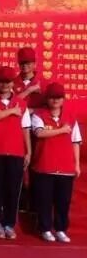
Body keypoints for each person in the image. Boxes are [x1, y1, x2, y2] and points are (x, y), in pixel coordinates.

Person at [0, 66, 32, 239]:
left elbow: (26, 128)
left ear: (12, 84)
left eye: (8, 82)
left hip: (16, 151)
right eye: (2, 82)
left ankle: (9, 224)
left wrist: (28, 151)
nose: (5, 85)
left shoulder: (21, 104)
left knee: (13, 190)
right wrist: (11, 111)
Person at [31, 82, 81, 243]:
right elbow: (39, 133)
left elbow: (75, 141)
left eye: (59, 97)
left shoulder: (70, 117)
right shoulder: (39, 115)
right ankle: (45, 229)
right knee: (44, 200)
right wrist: (61, 130)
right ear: (47, 99)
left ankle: (60, 229)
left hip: (66, 166)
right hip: (45, 165)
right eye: (52, 97)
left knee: (63, 201)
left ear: (63, 99)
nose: (55, 100)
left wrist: (77, 164)